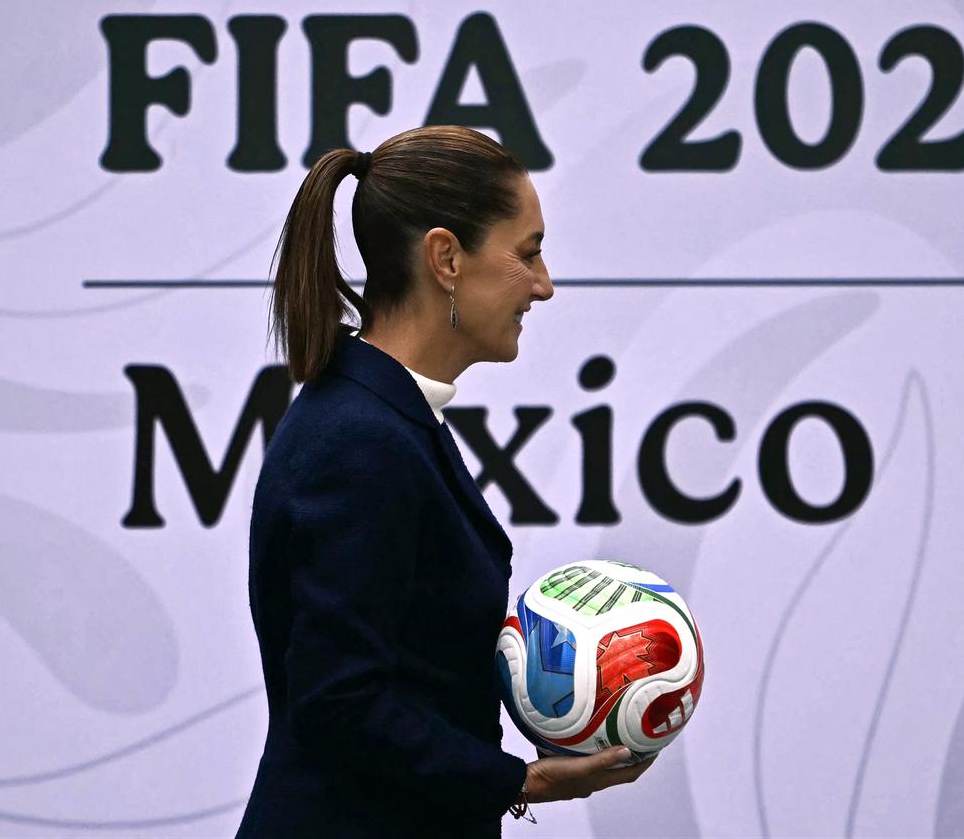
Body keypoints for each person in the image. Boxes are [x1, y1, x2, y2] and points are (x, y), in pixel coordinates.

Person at [236, 126, 653, 838]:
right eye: (528, 252)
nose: (544, 285)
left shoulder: (383, 417)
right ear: (446, 258)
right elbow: (340, 701)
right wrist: (519, 780)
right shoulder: (359, 440)